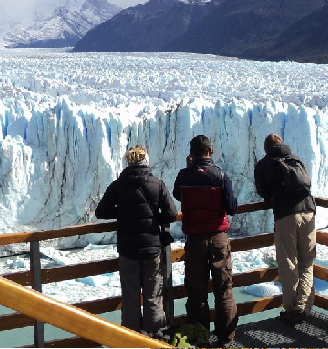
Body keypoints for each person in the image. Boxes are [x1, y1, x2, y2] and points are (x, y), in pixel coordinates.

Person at [96, 145, 178, 338]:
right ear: (146, 161)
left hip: (128, 251)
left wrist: (123, 213)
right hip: (152, 250)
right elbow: (172, 214)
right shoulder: (157, 184)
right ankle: (154, 337)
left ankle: (131, 340)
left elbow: (101, 211)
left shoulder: (118, 185)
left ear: (129, 162)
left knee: (131, 297)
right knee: (153, 297)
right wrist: (154, 216)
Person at [173, 135, 238, 345]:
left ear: (191, 154)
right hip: (218, 238)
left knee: (196, 291)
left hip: (194, 240)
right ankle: (225, 338)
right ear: (210, 152)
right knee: (223, 290)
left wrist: (189, 168)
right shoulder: (221, 176)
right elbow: (232, 207)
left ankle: (201, 339)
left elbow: (177, 194)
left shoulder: (184, 175)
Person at [254, 134, 315, 325]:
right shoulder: (295, 159)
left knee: (289, 263)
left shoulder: (264, 165)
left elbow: (263, 191)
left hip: (286, 215)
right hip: (308, 212)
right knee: (307, 261)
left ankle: (292, 309)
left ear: (266, 149)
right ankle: (304, 305)